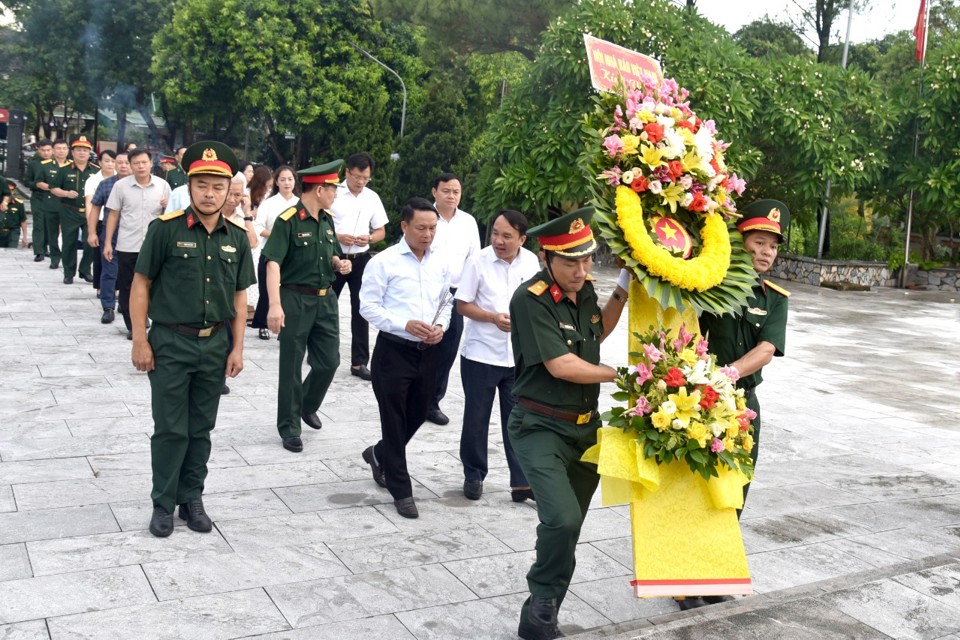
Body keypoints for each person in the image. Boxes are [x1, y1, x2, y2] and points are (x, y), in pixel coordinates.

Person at [508, 207, 629, 640]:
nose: (581, 270)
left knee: (571, 523)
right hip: (539, 425)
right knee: (559, 519)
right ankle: (542, 601)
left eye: (587, 259)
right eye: (570, 262)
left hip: (585, 429)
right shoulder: (531, 298)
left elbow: (597, 331)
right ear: (547, 258)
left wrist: (623, 289)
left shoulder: (584, 293)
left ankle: (542, 613)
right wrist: (622, 375)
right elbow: (561, 364)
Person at [130, 141, 255, 538]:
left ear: (228, 191)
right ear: (190, 185)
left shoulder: (236, 236)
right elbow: (141, 284)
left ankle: (192, 498)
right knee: (170, 428)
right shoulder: (164, 230)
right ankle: (163, 503)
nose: (209, 193)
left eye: (218, 187)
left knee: (201, 428)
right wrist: (139, 340)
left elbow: (239, 296)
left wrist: (237, 347)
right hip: (170, 342)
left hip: (215, 344)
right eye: (202, 184)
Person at [687, 199, 790, 610]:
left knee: (734, 492)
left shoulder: (775, 297)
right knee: (696, 490)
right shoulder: (710, 282)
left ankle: (711, 575)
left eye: (772, 246)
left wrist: (727, 375)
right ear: (740, 240)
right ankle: (684, 577)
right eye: (759, 241)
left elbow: (766, 349)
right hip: (697, 402)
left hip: (742, 404)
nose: (765, 252)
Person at [359, 197, 451, 520]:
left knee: (418, 413)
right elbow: (367, 307)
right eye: (421, 228)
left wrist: (441, 326)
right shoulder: (383, 262)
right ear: (404, 226)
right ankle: (401, 489)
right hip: (394, 351)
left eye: (433, 228)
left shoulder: (440, 261)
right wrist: (404, 324)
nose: (428, 234)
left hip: (428, 352)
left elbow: (447, 301)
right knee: (394, 419)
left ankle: (379, 453)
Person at [261, 160, 351, 453]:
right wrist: (274, 305)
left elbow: (332, 253)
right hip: (295, 299)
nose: (336, 194)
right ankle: (289, 427)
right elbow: (272, 262)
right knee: (291, 365)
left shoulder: (327, 220)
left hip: (325, 299)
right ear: (320, 189)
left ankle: (307, 404)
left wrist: (340, 262)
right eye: (333, 189)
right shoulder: (288, 221)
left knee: (330, 361)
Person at [455, 210, 540, 502]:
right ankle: (474, 474)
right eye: (495, 233)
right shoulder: (478, 262)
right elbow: (462, 305)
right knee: (476, 418)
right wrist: (492, 317)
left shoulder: (531, 263)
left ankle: (521, 482)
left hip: (517, 358)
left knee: (517, 420)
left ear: (522, 239)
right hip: (480, 353)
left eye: (507, 236)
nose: (499, 241)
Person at [426, 173, 480, 425]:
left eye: (456, 191)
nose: (451, 196)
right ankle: (413, 395)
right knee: (422, 344)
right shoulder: (424, 217)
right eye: (446, 190)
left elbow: (474, 260)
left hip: (456, 293)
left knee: (448, 348)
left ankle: (433, 401)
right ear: (434, 191)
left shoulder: (468, 222)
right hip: (426, 290)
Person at [330, 152, 389, 381]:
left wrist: (370, 239)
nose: (361, 182)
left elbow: (381, 230)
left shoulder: (372, 198)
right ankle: (321, 350)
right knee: (325, 305)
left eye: (366, 178)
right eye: (357, 176)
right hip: (334, 256)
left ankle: (359, 362)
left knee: (361, 308)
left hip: (360, 259)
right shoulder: (333, 193)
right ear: (347, 172)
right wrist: (338, 237)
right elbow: (320, 225)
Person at [103, 149, 171, 338]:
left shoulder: (163, 185)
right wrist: (108, 242)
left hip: (154, 246)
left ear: (151, 163)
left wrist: (167, 206)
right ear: (130, 165)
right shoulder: (121, 186)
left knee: (155, 286)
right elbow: (113, 214)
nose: (140, 166)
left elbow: (171, 216)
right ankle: (133, 325)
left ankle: (149, 317)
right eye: (136, 163)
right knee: (127, 287)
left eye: (144, 162)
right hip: (128, 245)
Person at [251, 165, 299, 340]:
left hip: (293, 255)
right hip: (271, 251)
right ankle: (263, 324)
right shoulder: (268, 203)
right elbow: (258, 227)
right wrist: (279, 235)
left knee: (289, 291)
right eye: (283, 179)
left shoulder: (299, 203)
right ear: (276, 182)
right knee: (267, 289)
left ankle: (286, 325)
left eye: (290, 179)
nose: (287, 183)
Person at [88, 151, 131, 324]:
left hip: (132, 234)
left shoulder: (139, 184)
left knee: (130, 272)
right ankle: (108, 306)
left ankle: (126, 304)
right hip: (111, 233)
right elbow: (95, 208)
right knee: (109, 270)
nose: (122, 165)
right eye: (118, 162)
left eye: (126, 162)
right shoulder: (106, 185)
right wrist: (92, 232)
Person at [49, 134, 99, 285]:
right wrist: (66, 193)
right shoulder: (64, 170)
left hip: (90, 211)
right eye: (78, 150)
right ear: (73, 152)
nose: (82, 153)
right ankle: (69, 272)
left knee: (91, 241)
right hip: (70, 210)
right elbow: (53, 188)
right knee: (69, 242)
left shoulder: (96, 170)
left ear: (89, 152)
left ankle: (85, 270)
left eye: (85, 150)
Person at [84, 149, 116, 297]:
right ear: (100, 163)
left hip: (118, 223)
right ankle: (99, 286)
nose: (110, 164)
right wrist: (91, 228)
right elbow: (90, 204)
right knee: (99, 257)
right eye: (107, 161)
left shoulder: (122, 179)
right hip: (100, 221)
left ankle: (115, 288)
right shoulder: (93, 180)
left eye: (113, 161)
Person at [39, 139, 72, 272]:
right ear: (53, 150)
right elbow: (38, 182)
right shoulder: (45, 165)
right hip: (51, 203)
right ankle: (55, 258)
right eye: (58, 148)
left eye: (64, 148)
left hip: (68, 205)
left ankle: (67, 258)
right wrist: (55, 189)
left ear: (68, 150)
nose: (61, 151)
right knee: (52, 233)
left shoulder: (72, 166)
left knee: (68, 234)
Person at [23, 139, 53, 261]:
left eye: (48, 150)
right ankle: (39, 251)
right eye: (43, 150)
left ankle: (46, 248)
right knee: (39, 223)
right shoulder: (34, 164)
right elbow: (27, 181)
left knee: (50, 224)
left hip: (53, 197)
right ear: (38, 150)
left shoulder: (57, 162)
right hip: (38, 196)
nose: (46, 153)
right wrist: (37, 185)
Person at [0, 180, 28, 248]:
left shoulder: (19, 204)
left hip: (13, 232)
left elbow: (23, 221)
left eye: (11, 190)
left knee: (11, 251)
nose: (9, 193)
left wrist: (24, 237)